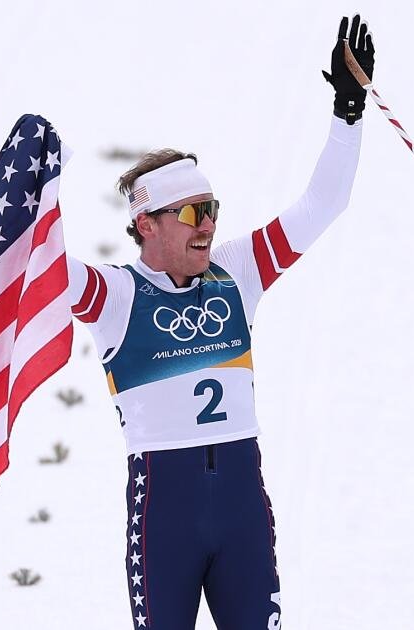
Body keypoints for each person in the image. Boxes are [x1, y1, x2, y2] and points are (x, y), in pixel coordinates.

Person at [65, 15, 375, 629]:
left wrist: (347, 112)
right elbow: (46, 268)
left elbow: (324, 204)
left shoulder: (237, 272)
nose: (207, 223)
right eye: (191, 212)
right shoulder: (116, 295)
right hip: (164, 513)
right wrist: (31, 191)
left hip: (239, 505)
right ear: (146, 224)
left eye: (212, 208)